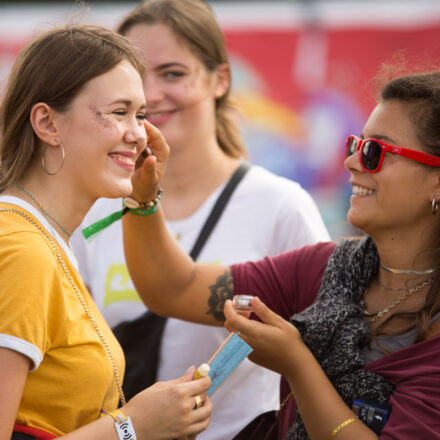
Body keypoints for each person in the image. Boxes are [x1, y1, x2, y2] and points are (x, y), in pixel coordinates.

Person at [120, 66, 440, 440]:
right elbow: (174, 288)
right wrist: (142, 199)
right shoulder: (327, 268)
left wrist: (298, 365)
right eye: (355, 144)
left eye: (375, 151)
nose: (351, 162)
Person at [71, 1, 329, 439]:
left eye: (173, 73)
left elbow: (326, 349)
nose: (150, 94)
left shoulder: (281, 206)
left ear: (220, 79)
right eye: (135, 78)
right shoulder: (93, 206)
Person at [0, 24, 212, 440]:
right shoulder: (22, 250)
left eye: (141, 115)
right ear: (47, 123)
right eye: (119, 112)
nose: (138, 135)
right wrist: (132, 427)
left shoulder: (42, 240)